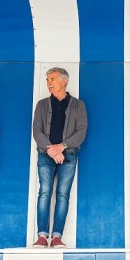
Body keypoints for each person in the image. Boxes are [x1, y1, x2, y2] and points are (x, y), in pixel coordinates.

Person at [31, 67, 87, 248]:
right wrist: (52, 150)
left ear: (64, 81)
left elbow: (82, 131)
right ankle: (41, 236)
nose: (48, 83)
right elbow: (37, 130)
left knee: (63, 195)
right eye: (47, 80)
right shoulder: (41, 105)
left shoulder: (78, 105)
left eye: (52, 79)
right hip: (46, 155)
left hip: (69, 155)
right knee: (45, 191)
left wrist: (62, 147)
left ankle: (56, 237)